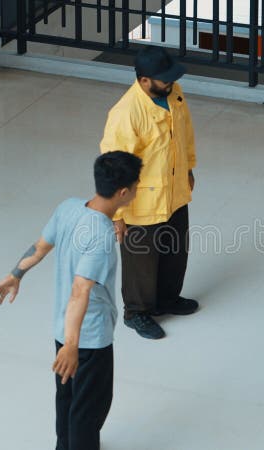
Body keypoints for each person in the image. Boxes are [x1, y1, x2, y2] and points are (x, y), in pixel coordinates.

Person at [0, 151, 143, 450]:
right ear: (124, 193)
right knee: (91, 408)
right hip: (87, 338)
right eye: (136, 185)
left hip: (64, 329)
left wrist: (15, 274)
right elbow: (80, 291)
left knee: (68, 398)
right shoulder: (99, 236)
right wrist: (74, 347)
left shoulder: (69, 208)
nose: (138, 189)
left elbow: (40, 246)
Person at [100, 45, 198, 340]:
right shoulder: (126, 113)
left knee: (175, 252)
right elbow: (114, 169)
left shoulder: (174, 94)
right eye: (163, 78)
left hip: (175, 193)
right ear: (144, 80)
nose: (169, 82)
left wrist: (189, 169)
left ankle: (167, 299)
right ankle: (137, 313)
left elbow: (185, 134)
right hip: (142, 203)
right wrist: (116, 215)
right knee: (141, 263)